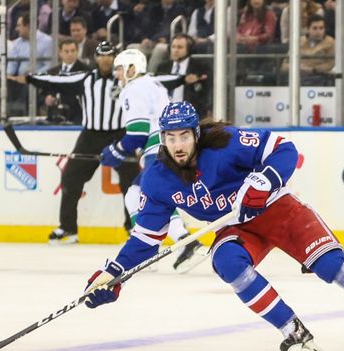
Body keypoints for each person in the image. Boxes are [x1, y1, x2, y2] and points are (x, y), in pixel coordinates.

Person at [83, 101, 344, 351]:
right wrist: (114, 275)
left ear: (196, 133)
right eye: (170, 137)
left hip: (278, 210)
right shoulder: (157, 179)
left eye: (184, 136)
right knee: (227, 262)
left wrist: (265, 179)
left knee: (332, 267)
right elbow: (145, 238)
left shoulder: (225, 143)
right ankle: (292, 330)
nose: (177, 145)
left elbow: (283, 149)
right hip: (239, 227)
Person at [101, 49, 208, 273]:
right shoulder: (153, 84)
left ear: (132, 68)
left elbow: (137, 133)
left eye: (120, 69)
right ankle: (174, 243)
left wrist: (115, 151)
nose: (117, 75)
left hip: (158, 147)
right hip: (164, 145)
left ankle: (162, 248)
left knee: (145, 196)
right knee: (145, 196)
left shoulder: (134, 88)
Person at [23, 42, 139, 244]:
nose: (105, 59)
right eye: (102, 55)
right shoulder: (85, 78)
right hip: (90, 137)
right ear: (95, 58)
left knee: (131, 183)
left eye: (110, 55)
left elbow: (154, 82)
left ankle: (134, 230)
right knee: (70, 178)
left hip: (120, 135)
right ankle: (68, 229)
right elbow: (55, 80)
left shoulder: (126, 79)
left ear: (115, 58)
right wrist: (30, 78)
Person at [154, 34, 211, 118]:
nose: (175, 50)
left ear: (189, 49)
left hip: (189, 115)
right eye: (173, 47)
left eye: (180, 47)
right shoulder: (163, 67)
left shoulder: (199, 68)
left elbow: (205, 95)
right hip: (165, 114)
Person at [41, 38, 89, 124]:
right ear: (60, 53)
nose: (70, 54)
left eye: (73, 51)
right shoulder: (51, 72)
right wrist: (47, 98)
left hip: (78, 118)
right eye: (66, 51)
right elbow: (43, 92)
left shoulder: (86, 71)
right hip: (54, 117)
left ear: (77, 52)